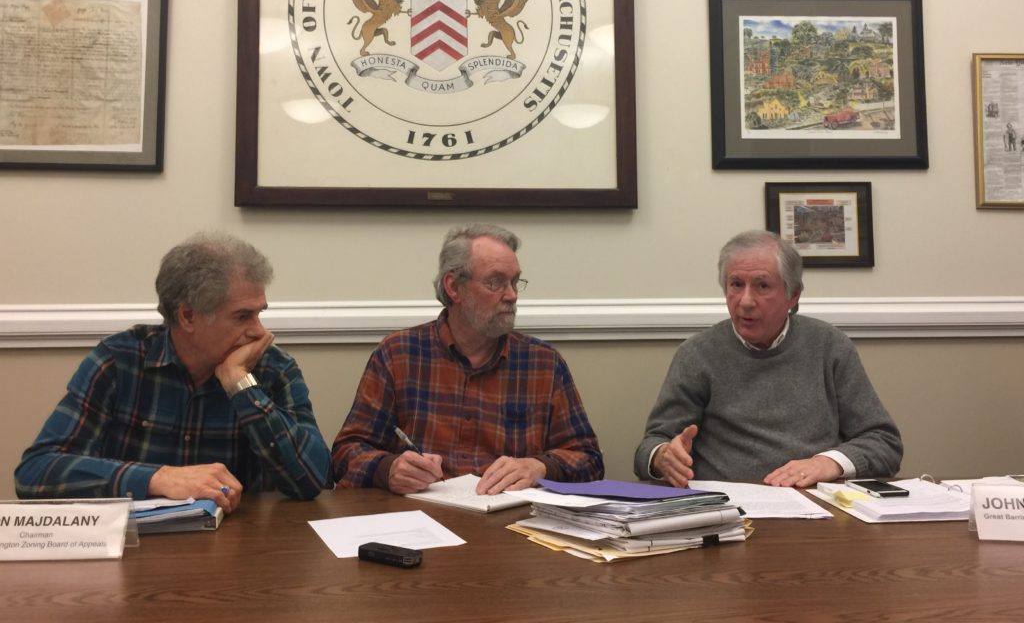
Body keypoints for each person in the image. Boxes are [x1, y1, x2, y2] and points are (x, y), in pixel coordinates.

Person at [15, 232, 331, 510]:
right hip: (134, 555)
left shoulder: (273, 369)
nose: (259, 332)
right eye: (242, 317)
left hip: (237, 556)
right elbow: (35, 474)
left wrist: (241, 386)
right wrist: (157, 478)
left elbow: (314, 481)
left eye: (259, 313)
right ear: (188, 317)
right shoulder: (119, 361)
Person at [332, 223, 603, 496]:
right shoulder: (399, 354)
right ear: (453, 287)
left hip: (511, 525)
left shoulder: (542, 363)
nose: (511, 295)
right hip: (419, 522)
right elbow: (345, 454)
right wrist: (387, 469)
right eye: (495, 282)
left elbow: (589, 460)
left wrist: (540, 467)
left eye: (514, 281)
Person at [634, 229, 902, 488]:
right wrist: (662, 456)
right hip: (728, 510)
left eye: (762, 286)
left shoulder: (830, 347)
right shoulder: (698, 354)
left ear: (792, 295)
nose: (746, 301)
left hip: (818, 510)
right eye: (736, 285)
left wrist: (828, 463)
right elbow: (650, 447)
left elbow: (883, 443)